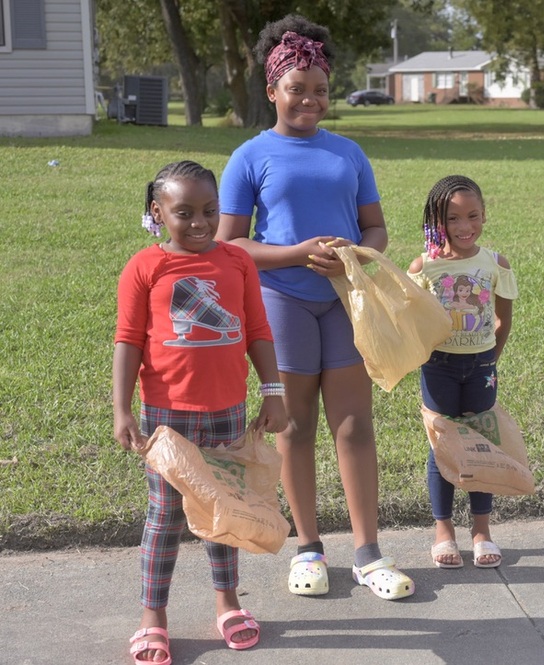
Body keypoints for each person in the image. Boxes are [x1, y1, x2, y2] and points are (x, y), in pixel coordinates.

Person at [216, 14, 413, 601]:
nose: (310, 99)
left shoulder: (348, 153)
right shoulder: (250, 156)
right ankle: (308, 548)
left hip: (345, 301)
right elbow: (231, 244)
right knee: (295, 427)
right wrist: (296, 254)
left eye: (321, 89)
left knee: (354, 427)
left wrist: (357, 254)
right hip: (283, 303)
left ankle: (368, 553)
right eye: (296, 88)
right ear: (272, 89)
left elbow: (375, 229)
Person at [114, 160, 288, 664]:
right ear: (157, 211)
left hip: (228, 413)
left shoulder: (237, 261)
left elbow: (257, 330)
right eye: (183, 212)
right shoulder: (145, 267)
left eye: (209, 211)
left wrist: (272, 392)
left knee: (224, 509)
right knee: (166, 517)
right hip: (167, 417)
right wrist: (121, 409)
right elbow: (127, 341)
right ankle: (153, 619)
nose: (199, 223)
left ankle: (229, 605)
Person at [408, 175, 518, 569]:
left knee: (480, 443)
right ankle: (443, 532)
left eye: (473, 216)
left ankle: (481, 531)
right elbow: (413, 320)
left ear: (485, 216)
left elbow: (503, 319)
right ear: (437, 222)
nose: (464, 226)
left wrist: (490, 359)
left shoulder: (495, 264)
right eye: (453, 219)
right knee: (443, 445)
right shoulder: (425, 267)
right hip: (437, 367)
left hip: (482, 366)